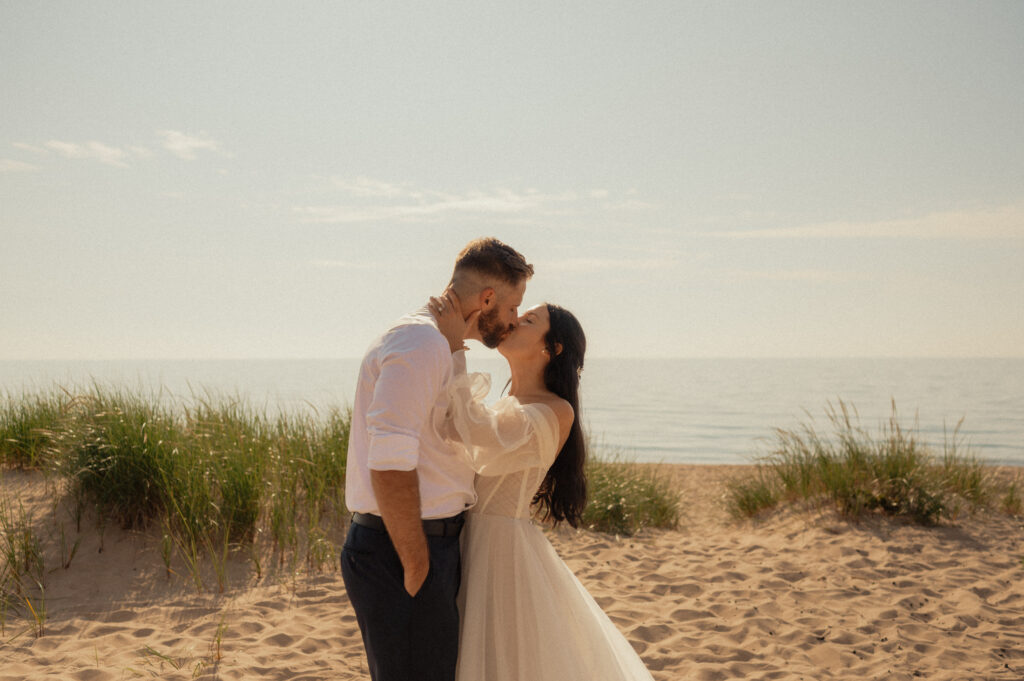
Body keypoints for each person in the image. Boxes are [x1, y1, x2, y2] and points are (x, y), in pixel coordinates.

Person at [429, 294, 655, 681]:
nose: (513, 321)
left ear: (552, 348)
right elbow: (453, 428)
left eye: (529, 320)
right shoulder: (504, 404)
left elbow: (472, 428)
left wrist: (454, 347)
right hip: (465, 540)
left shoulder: (555, 410)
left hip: (501, 550)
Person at [341, 237, 533, 681]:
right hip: (403, 549)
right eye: (510, 307)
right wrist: (416, 562)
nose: (511, 320)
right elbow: (388, 460)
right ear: (487, 298)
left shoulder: (436, 343)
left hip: (424, 544)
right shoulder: (421, 343)